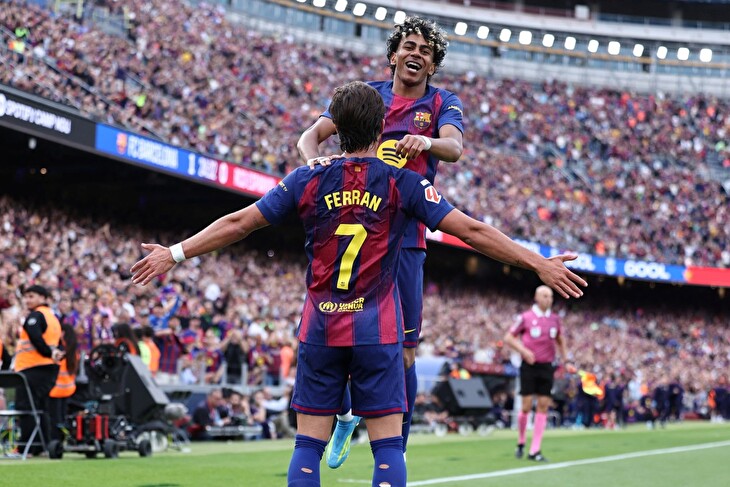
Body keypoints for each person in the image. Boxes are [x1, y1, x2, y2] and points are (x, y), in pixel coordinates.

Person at [131, 80, 586, 487]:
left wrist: (174, 253)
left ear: (338, 130)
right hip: (377, 332)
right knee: (388, 449)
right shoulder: (404, 183)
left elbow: (239, 223)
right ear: (382, 126)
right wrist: (537, 264)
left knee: (307, 447)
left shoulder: (306, 179)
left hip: (320, 329)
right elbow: (472, 231)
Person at [297, 15, 464, 467]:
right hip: (350, 230)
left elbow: (454, 148)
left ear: (433, 65)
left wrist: (425, 143)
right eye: (409, 46)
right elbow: (310, 137)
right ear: (393, 55)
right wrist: (313, 164)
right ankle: (344, 415)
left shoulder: (442, 102)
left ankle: (394, 451)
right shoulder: (367, 97)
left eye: (426, 51)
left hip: (404, 238)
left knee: (405, 351)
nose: (416, 54)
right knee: (335, 330)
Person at [503, 285, 574, 462]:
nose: (548, 299)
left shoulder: (555, 319)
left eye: (550, 296)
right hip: (529, 365)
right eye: (544, 296)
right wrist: (523, 351)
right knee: (526, 406)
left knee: (543, 405)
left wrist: (566, 360)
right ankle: (521, 441)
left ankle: (535, 450)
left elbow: (560, 340)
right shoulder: (525, 317)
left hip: (547, 366)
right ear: (536, 297)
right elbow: (508, 337)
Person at [13, 285, 64, 454]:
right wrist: (55, 353)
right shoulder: (53, 317)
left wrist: (48, 352)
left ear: (43, 298)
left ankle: (26, 446)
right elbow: (59, 344)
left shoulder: (36, 315)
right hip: (49, 368)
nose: (27, 300)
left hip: (32, 367)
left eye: (31, 296)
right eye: (26, 297)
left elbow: (35, 337)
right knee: (41, 407)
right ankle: (42, 445)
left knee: (26, 406)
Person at [48, 323, 79, 441]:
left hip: (56, 389)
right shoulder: (73, 352)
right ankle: (63, 439)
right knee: (63, 417)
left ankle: (55, 441)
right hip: (68, 389)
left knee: (54, 419)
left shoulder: (59, 351)